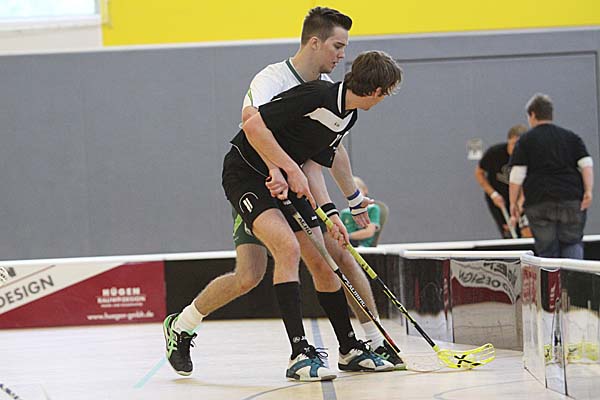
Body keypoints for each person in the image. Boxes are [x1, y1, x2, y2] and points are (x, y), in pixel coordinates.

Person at [219, 50, 402, 381]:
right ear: (377, 91)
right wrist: (287, 168)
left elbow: (313, 168)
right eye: (386, 93)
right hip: (245, 174)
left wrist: (331, 215)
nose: (384, 99)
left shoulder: (347, 116)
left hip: (288, 179)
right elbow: (253, 125)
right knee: (288, 248)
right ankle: (299, 354)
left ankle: (349, 348)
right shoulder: (317, 95)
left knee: (322, 258)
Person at [509, 93, 594, 259]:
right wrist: (588, 191)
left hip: (539, 201)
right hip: (570, 198)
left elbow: (517, 175)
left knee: (547, 249)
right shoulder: (571, 137)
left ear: (533, 114)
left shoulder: (525, 141)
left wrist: (513, 203)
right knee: (572, 242)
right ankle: (573, 275)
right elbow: (586, 164)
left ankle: (552, 276)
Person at [475, 124, 533, 238]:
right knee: (508, 230)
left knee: (527, 231)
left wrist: (518, 208)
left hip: (520, 198)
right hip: (499, 197)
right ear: (508, 141)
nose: (517, 149)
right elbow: (479, 173)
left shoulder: (528, 157)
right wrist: (493, 194)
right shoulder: (494, 153)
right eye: (514, 144)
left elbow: (527, 186)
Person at [340, 176, 381, 247]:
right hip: (346, 244)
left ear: (365, 190)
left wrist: (347, 236)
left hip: (362, 245)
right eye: (347, 192)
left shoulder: (373, 209)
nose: (352, 194)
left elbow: (369, 232)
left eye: (356, 191)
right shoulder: (344, 213)